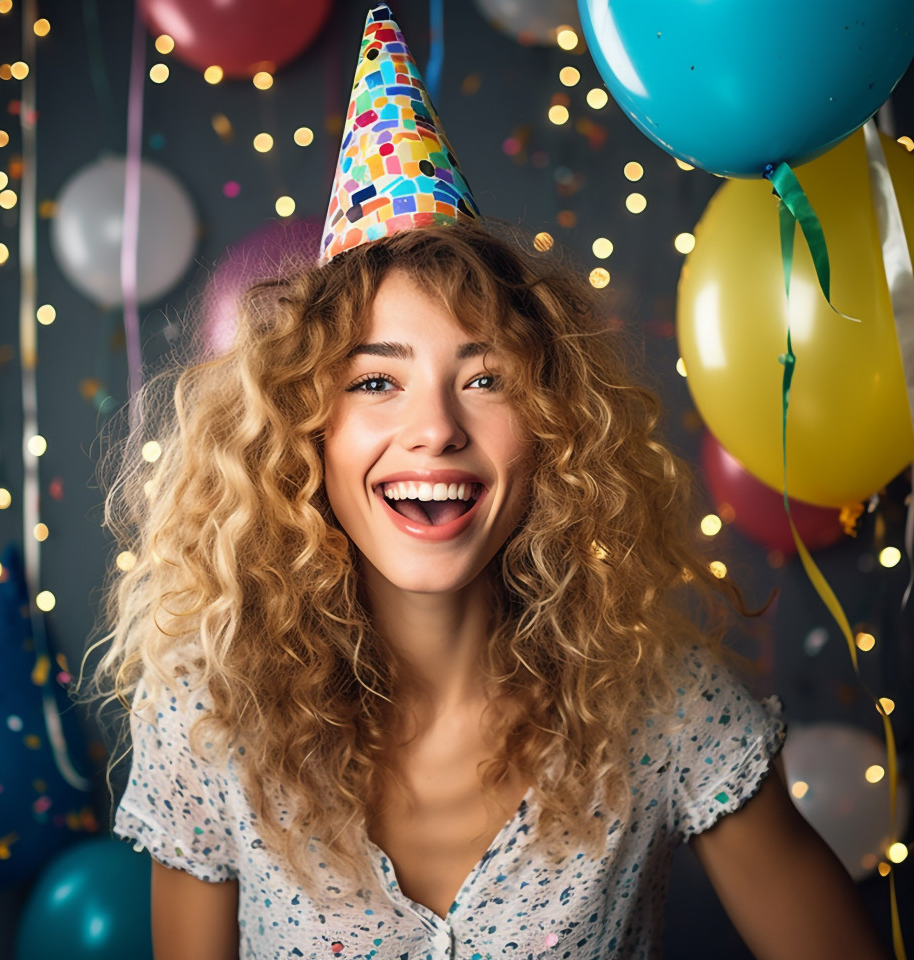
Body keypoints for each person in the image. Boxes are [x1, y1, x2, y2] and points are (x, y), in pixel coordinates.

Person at [77, 6, 891, 960]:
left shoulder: (661, 704)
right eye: (377, 382)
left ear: (551, 425)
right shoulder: (209, 715)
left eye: (484, 378)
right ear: (309, 433)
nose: (434, 429)